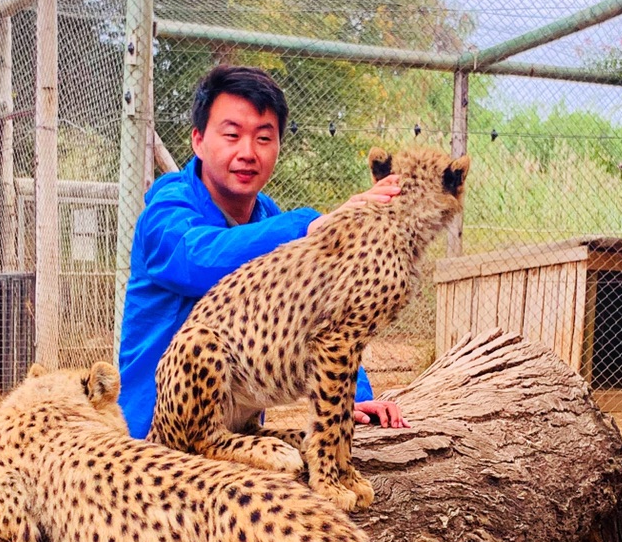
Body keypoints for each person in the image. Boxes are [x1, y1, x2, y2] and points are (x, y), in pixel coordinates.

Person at [117, 64, 407, 439]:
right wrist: (306, 227)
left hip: (233, 437)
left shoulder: (267, 217)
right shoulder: (166, 210)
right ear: (198, 141)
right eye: (232, 135)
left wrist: (352, 396)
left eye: (263, 138)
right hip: (151, 436)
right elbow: (196, 259)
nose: (248, 152)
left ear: (279, 146)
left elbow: (322, 315)